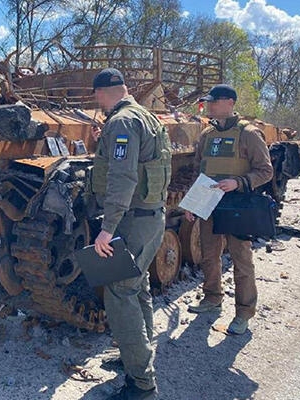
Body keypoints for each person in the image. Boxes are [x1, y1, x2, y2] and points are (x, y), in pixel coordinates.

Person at [91, 68, 171, 400]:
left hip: (131, 221)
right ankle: (135, 356)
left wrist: (107, 229)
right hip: (151, 218)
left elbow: (123, 178)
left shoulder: (122, 122)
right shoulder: (144, 116)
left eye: (95, 96)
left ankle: (141, 382)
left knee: (120, 293)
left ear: (101, 93)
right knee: (139, 289)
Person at [186, 84, 273, 335]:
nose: (210, 106)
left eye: (214, 101)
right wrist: (192, 204)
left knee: (241, 259)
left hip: (237, 205)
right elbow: (197, 171)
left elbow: (265, 171)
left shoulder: (248, 133)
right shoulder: (207, 134)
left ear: (230, 102)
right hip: (209, 203)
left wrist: (239, 182)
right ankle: (212, 298)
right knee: (209, 254)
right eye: (208, 102)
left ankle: (244, 312)